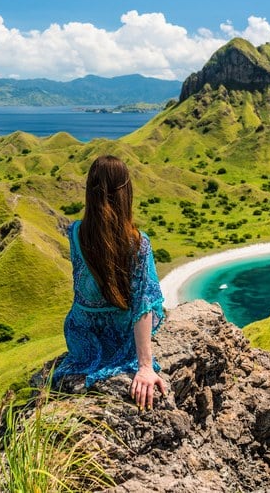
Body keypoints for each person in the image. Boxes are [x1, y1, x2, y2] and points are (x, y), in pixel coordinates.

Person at [52, 155, 167, 410]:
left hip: (80, 334)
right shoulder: (138, 243)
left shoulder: (75, 232)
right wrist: (145, 366)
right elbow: (144, 304)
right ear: (126, 192)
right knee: (153, 302)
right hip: (118, 335)